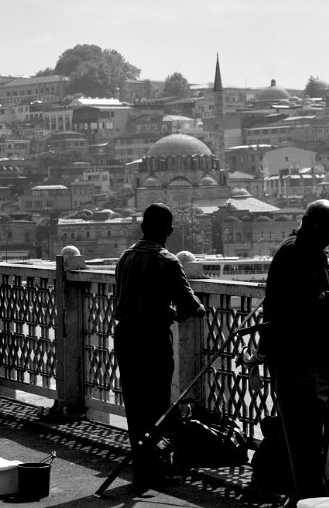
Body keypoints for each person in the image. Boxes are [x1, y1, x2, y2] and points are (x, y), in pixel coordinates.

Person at [260, 199, 329, 503]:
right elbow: (306, 304)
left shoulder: (311, 254)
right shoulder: (294, 254)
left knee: (315, 442)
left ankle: (305, 500)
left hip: (316, 361)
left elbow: (323, 306)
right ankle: (311, 500)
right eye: (326, 230)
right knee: (307, 445)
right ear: (308, 224)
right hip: (298, 361)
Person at [113, 203, 206, 494]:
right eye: (171, 225)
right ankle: (153, 469)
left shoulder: (126, 257)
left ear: (143, 228)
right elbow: (191, 305)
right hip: (152, 341)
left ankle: (142, 469)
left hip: (125, 338)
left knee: (135, 407)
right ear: (167, 229)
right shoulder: (167, 261)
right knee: (156, 407)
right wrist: (196, 309)